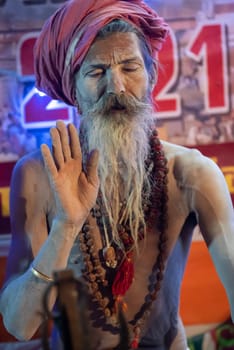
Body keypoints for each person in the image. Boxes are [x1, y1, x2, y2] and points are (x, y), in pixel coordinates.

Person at [0, 0, 234, 349]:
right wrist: (65, 226)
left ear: (152, 76)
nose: (117, 88)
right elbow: (20, 325)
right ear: (73, 89)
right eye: (96, 73)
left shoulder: (193, 173)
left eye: (130, 68)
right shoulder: (38, 176)